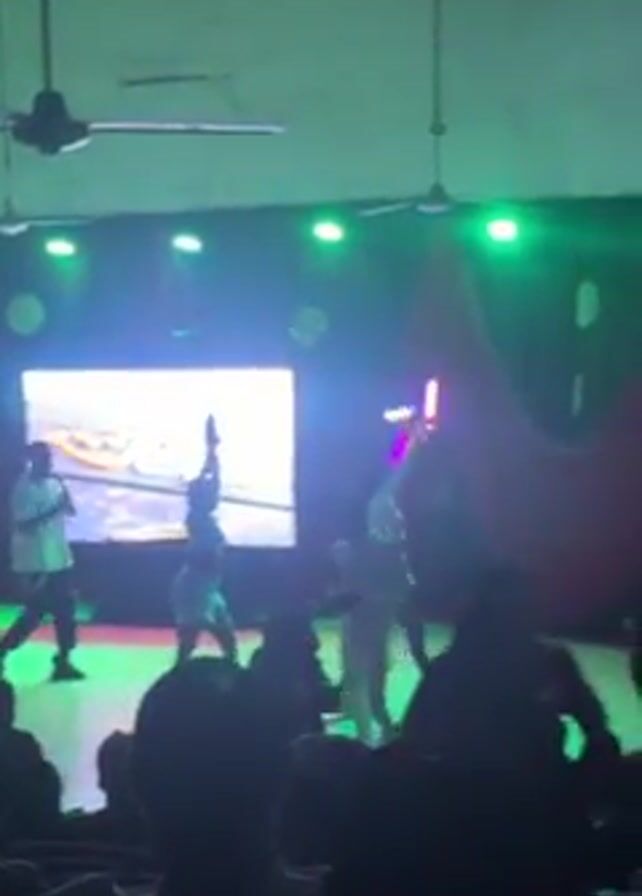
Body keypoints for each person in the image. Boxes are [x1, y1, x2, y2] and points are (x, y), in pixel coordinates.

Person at [0, 442, 84, 682]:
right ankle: (3, 651)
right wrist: (55, 508)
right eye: (44, 458)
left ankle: (63, 661)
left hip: (59, 558)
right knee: (35, 613)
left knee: (66, 612)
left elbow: (70, 511)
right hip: (35, 562)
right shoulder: (23, 488)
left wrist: (66, 501)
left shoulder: (55, 483)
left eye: (49, 458)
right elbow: (24, 524)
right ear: (32, 460)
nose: (49, 463)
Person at [170, 416, 237, 666]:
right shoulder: (198, 519)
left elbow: (213, 478)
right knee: (190, 640)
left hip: (207, 587)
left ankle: (232, 672)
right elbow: (212, 483)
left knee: (227, 637)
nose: (216, 495)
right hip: (196, 587)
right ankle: (178, 675)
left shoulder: (202, 515)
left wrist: (212, 450)